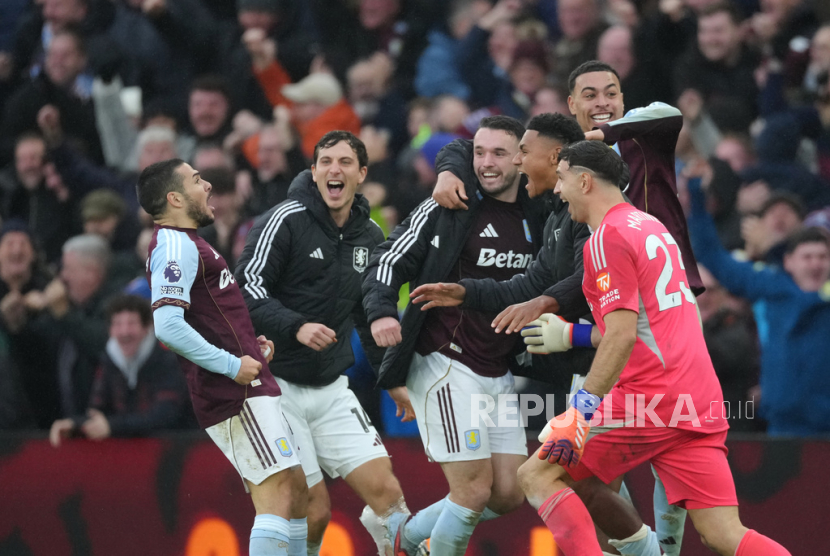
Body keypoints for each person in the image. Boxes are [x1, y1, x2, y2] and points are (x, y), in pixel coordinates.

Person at [517, 140, 790, 556]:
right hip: (697, 397)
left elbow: (623, 334)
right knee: (723, 533)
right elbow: (658, 323)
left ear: (586, 181)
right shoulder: (652, 226)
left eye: (562, 179)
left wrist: (581, 413)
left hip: (651, 396)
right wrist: (573, 334)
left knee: (536, 476)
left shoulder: (606, 238)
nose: (557, 190)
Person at [420, 113, 668, 556]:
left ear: (556, 158)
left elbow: (583, 285)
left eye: (522, 153)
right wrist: (466, 292)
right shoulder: (560, 213)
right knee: (588, 488)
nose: (515, 162)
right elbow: (532, 281)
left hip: (627, 373)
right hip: (613, 372)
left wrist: (560, 323)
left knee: (546, 477)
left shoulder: (603, 225)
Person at [363, 116, 549, 556]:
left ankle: (400, 536)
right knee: (472, 491)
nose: (486, 163)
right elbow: (387, 261)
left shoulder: (538, 211)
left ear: (521, 159)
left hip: (498, 367)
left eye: (499, 154)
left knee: (508, 493)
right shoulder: (450, 204)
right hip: (445, 362)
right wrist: (381, 313)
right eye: (479, 152)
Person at [235, 131, 410, 556]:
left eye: (346, 162)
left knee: (390, 498)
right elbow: (245, 287)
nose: (335, 169)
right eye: (326, 161)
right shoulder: (285, 220)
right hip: (277, 388)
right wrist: (296, 326)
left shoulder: (369, 234)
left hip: (331, 389)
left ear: (362, 173)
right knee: (314, 513)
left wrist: (391, 379)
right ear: (313, 172)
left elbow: (367, 315)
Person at [137, 157, 308, 556]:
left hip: (247, 381)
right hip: (233, 391)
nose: (208, 185)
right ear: (175, 198)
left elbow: (208, 314)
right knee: (277, 491)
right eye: (197, 180)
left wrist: (250, 345)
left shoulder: (189, 242)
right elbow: (168, 326)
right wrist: (233, 364)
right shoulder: (175, 244)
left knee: (296, 489)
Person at [687, 172, 830, 436]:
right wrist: (696, 195)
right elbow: (711, 255)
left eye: (822, 257)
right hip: (783, 425)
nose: (815, 264)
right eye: (807, 257)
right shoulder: (770, 284)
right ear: (788, 262)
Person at [49, 294, 192, 445]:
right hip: (132, 455)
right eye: (117, 324)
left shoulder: (169, 360)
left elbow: (165, 415)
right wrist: (75, 424)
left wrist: (113, 426)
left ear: (147, 327)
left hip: (179, 450)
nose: (124, 332)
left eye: (131, 323)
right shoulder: (109, 360)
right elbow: (99, 412)